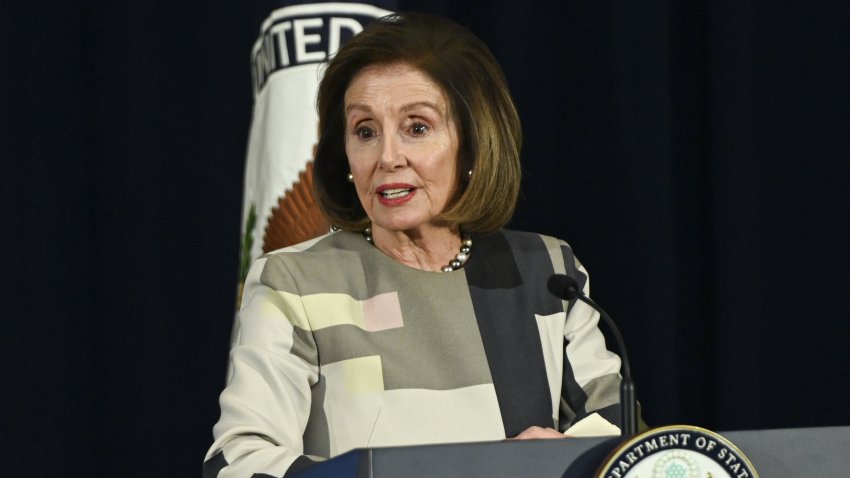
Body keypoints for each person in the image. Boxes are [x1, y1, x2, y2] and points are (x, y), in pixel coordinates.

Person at [204, 12, 624, 478]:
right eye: (365, 131)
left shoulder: (547, 273)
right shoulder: (296, 283)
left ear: (472, 142)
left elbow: (620, 434)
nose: (387, 157)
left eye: (417, 127)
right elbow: (241, 462)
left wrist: (564, 456)